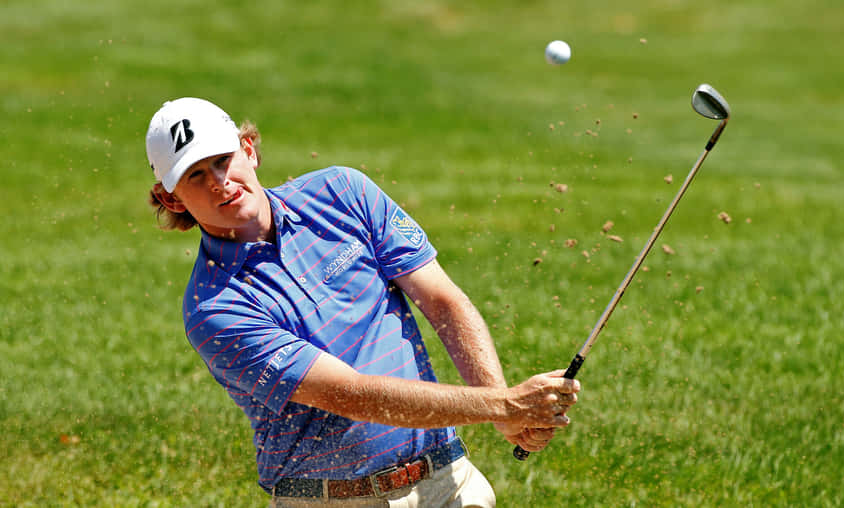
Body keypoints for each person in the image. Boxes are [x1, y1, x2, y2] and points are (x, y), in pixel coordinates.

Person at [145, 97, 580, 507]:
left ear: (249, 150)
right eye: (195, 176)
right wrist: (503, 406)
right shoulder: (214, 308)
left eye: (223, 161)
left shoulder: (342, 193)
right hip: (338, 498)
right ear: (170, 198)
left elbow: (442, 301)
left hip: (448, 481)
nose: (220, 183)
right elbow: (352, 395)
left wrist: (502, 405)